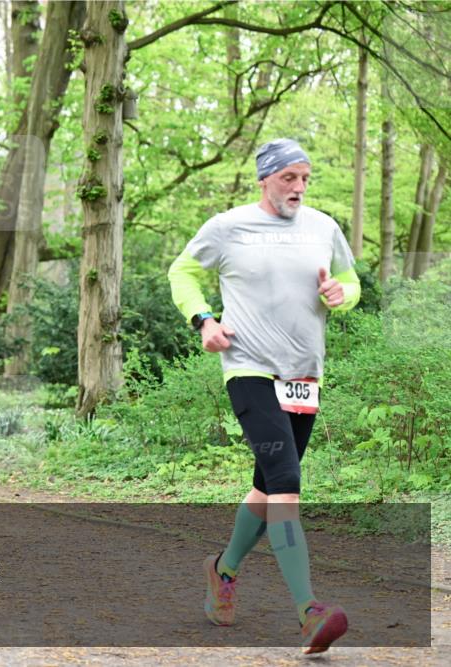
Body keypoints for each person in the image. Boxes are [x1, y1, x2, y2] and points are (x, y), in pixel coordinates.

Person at [167, 139, 361, 654]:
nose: (298, 188)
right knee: (286, 480)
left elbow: (348, 279)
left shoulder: (323, 227)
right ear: (265, 179)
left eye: (304, 178)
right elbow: (182, 272)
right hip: (249, 369)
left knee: (266, 486)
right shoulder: (228, 226)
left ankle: (223, 571)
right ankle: (309, 612)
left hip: (304, 376)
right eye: (288, 178)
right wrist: (203, 319)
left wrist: (343, 294)